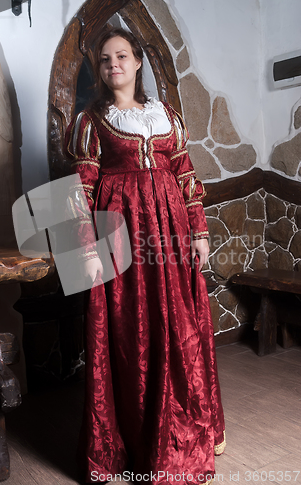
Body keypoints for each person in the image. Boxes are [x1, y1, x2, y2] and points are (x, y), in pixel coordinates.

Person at [65, 27, 225, 485]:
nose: (113, 64)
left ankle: (181, 435)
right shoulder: (91, 120)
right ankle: (133, 443)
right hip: (120, 233)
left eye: (121, 56)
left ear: (137, 63)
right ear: (100, 70)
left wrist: (198, 231)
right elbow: (82, 188)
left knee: (180, 328)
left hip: (172, 234)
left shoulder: (167, 117)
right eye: (104, 59)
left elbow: (186, 174)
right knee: (131, 330)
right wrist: (88, 248)